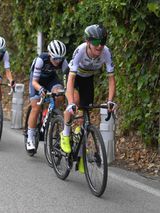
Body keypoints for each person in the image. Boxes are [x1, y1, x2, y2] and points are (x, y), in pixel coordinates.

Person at [61, 24, 117, 172]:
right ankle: (65, 135)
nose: (100, 47)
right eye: (96, 43)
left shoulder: (106, 52)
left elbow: (111, 79)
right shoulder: (80, 51)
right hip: (74, 77)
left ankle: (80, 151)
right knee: (76, 103)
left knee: (85, 113)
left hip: (87, 79)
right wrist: (71, 103)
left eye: (102, 42)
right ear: (88, 42)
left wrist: (110, 100)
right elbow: (71, 80)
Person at [26, 40, 68, 151]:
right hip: (37, 80)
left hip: (50, 79)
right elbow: (34, 82)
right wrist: (40, 89)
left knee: (59, 94)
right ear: (50, 54)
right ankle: (30, 138)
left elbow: (68, 78)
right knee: (36, 106)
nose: (58, 61)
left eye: (60, 59)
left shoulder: (63, 61)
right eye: (55, 59)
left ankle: (50, 114)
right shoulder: (41, 60)